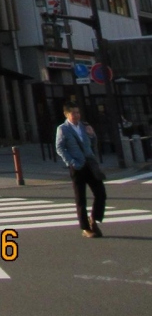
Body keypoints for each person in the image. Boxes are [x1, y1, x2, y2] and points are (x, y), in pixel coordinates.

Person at [56, 100, 107, 237]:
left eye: (78, 112)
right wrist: (71, 162)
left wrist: (92, 135)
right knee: (81, 199)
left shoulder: (84, 126)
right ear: (66, 114)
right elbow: (60, 148)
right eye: (73, 113)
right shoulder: (63, 129)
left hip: (90, 164)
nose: (77, 115)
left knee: (101, 193)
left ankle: (94, 218)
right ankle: (86, 228)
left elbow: (93, 143)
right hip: (77, 166)